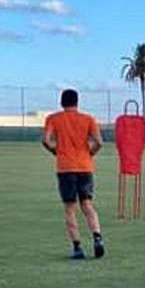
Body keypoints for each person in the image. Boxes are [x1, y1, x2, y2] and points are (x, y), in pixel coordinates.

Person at [42, 89, 105, 259]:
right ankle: (97, 237)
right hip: (85, 167)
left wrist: (55, 151)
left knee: (70, 208)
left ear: (62, 102)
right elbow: (99, 141)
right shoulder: (88, 119)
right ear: (77, 102)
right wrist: (89, 153)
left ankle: (77, 247)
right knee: (87, 204)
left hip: (65, 168)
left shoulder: (53, 119)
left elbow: (46, 140)